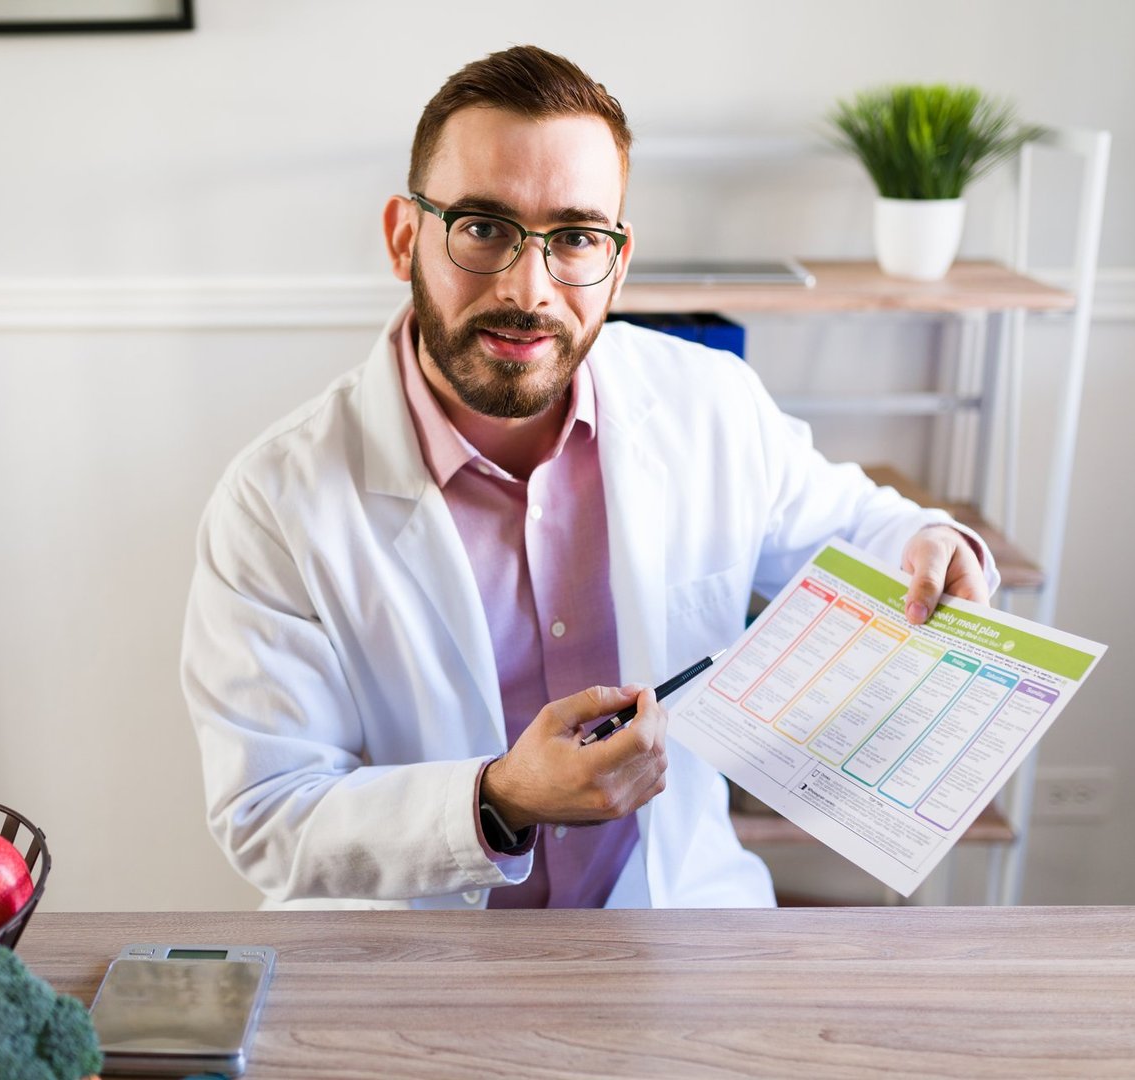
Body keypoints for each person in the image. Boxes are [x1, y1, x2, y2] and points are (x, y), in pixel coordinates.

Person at [181, 45, 997, 910]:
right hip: (419, 975)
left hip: (679, 941)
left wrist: (929, 542)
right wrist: (497, 802)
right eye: (483, 227)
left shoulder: (710, 405)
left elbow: (864, 529)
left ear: (618, 256)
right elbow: (268, 814)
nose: (527, 289)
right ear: (401, 237)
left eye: (573, 237)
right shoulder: (274, 501)